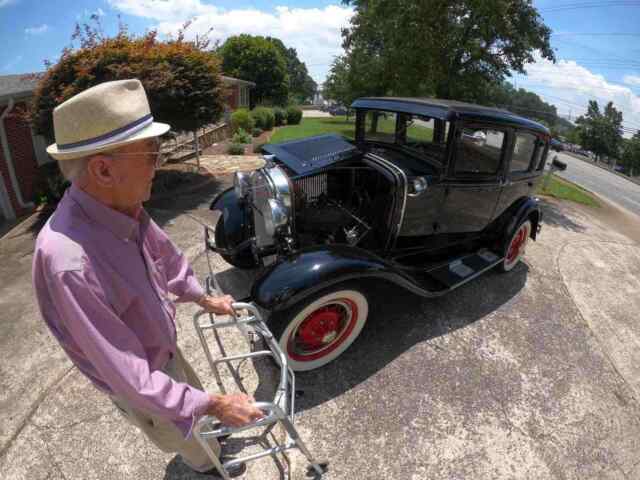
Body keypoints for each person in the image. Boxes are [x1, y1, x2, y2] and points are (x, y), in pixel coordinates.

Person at [32, 79, 263, 475]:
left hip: (162, 348)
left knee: (194, 403)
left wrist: (203, 298)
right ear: (104, 169)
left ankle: (207, 429)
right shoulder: (68, 263)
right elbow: (133, 378)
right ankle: (209, 466)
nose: (159, 163)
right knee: (187, 436)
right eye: (152, 153)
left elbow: (165, 257)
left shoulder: (123, 205)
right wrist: (217, 403)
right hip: (143, 380)